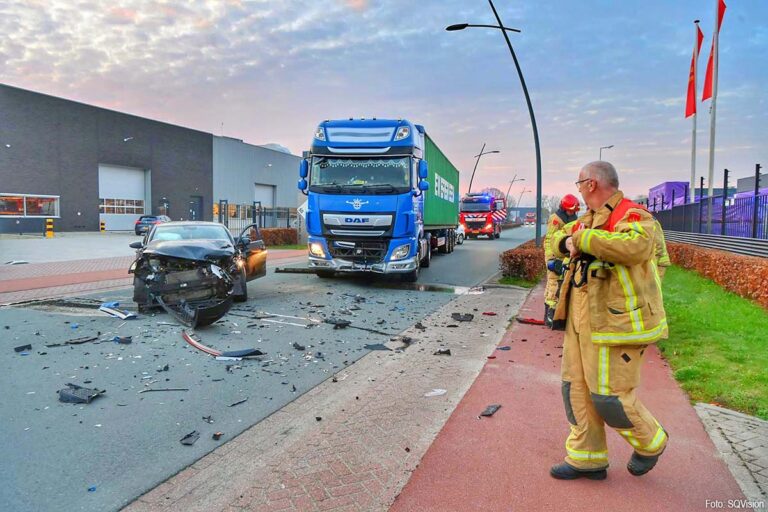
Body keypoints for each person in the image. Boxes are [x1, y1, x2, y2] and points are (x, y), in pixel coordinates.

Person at [548, 161, 669, 480]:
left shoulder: (633, 214)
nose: (578, 190)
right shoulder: (587, 218)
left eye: (579, 184)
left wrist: (586, 242)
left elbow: (637, 246)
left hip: (615, 322)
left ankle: (651, 442)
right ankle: (586, 458)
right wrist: (568, 243)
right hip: (579, 316)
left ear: (591, 184)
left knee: (609, 397)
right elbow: (560, 241)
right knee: (575, 389)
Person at [544, 194, 581, 327]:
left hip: (567, 256)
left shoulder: (574, 219)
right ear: (564, 208)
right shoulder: (556, 219)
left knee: (564, 284)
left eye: (574, 210)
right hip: (555, 256)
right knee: (553, 282)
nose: (572, 212)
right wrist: (551, 258)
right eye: (570, 210)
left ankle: (560, 313)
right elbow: (550, 239)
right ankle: (550, 313)